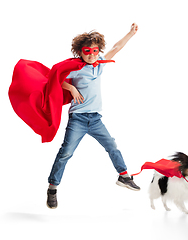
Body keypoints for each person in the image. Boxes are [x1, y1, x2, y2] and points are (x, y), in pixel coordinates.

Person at [47, 23, 140, 209]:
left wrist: (130, 33)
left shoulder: (100, 64)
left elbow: (117, 47)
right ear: (80, 52)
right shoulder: (75, 67)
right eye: (87, 51)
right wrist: (71, 87)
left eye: (95, 51)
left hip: (96, 119)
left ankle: (123, 176)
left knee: (112, 145)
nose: (91, 55)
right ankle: (52, 188)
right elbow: (54, 78)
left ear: (98, 51)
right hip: (78, 119)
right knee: (66, 152)